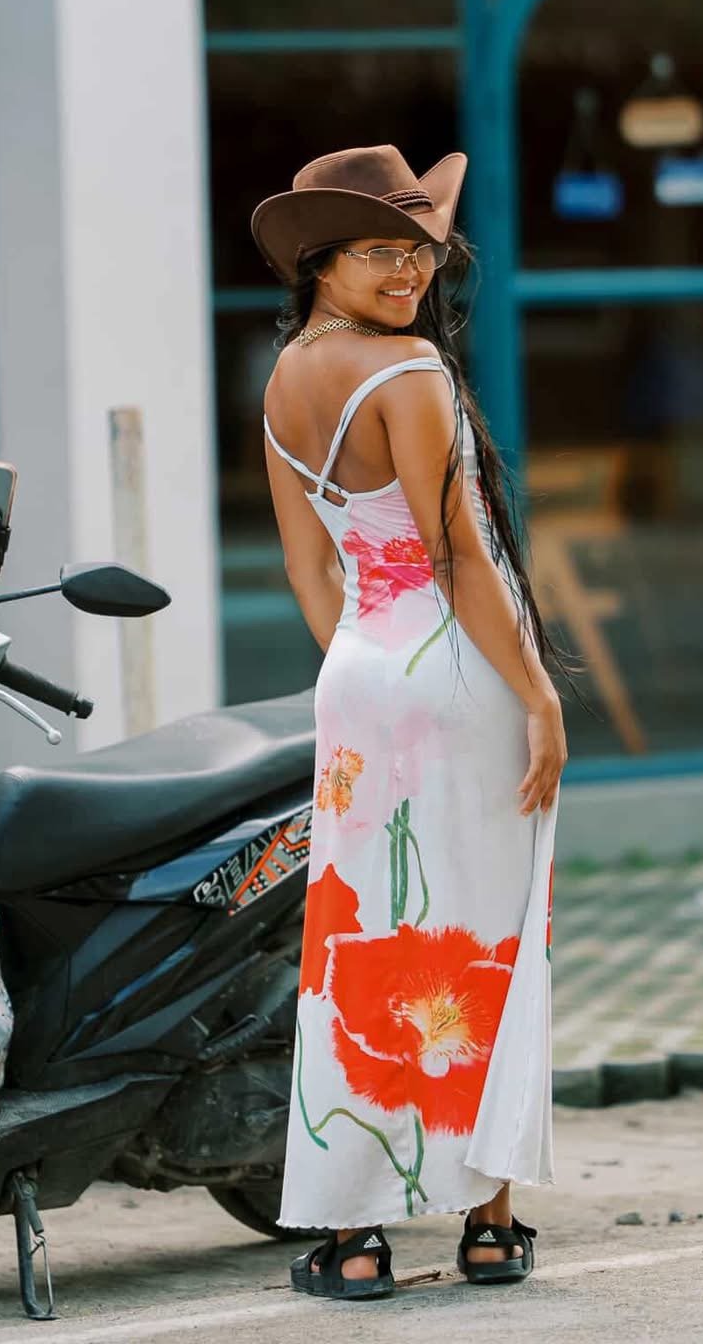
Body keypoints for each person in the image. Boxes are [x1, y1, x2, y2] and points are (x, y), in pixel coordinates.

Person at [251, 145, 567, 1302]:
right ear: (320, 262)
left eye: (422, 252)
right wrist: (537, 692)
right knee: (488, 933)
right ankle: (490, 1224)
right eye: (380, 252)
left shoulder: (287, 379)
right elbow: (459, 555)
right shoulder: (413, 369)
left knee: (360, 942)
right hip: (460, 670)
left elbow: (310, 567)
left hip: (362, 674)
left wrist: (370, 666)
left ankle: (352, 1237)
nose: (409, 273)